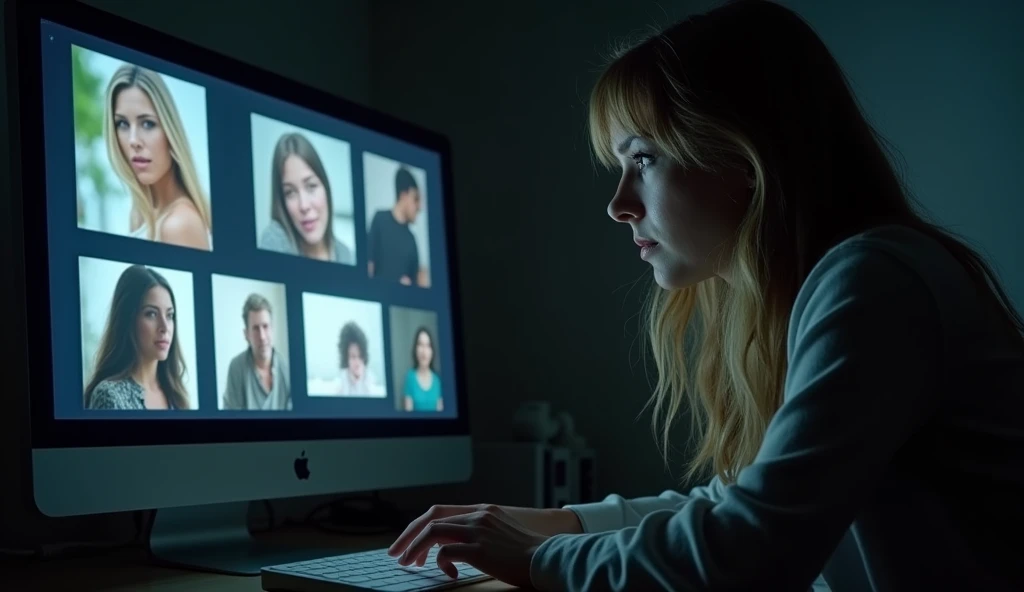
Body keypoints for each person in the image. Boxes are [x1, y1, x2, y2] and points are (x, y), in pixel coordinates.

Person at [385, 1, 1024, 591]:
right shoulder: (854, 280)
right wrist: (540, 524)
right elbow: (734, 504)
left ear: (745, 159)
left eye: (643, 160)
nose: (618, 205)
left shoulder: (874, 283)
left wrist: (531, 558)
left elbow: (751, 549)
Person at [105, 64, 212, 250]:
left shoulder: (179, 224)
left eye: (147, 124)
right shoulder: (140, 212)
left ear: (170, 132)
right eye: (122, 123)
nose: (133, 141)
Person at [85, 265, 190, 410]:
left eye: (169, 315)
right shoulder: (109, 396)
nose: (165, 328)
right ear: (127, 320)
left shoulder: (176, 395)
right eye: (151, 314)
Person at [258, 132, 354, 265]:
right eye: (290, 192)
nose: (304, 206)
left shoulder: (345, 255)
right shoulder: (275, 240)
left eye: (311, 186)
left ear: (325, 187)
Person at [221, 294, 291, 411]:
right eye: (255, 328)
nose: (262, 336)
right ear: (246, 334)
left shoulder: (288, 369)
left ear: (272, 329)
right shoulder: (236, 367)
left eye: (265, 326)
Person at [367, 167, 429, 287]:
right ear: (403, 195)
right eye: (415, 199)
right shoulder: (379, 219)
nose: (419, 207)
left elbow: (417, 284)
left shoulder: (412, 239)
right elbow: (369, 265)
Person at [333, 322, 385, 396]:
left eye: (360, 356)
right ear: (346, 358)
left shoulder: (369, 378)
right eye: (353, 357)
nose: (357, 362)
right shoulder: (342, 380)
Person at [402, 327, 442, 412]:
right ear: (415, 349)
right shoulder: (410, 377)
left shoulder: (437, 381)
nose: (424, 351)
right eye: (420, 345)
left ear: (432, 351)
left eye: (428, 346)